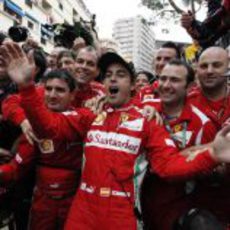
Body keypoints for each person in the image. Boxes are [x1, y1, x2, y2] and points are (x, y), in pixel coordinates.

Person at [1, 42, 230, 230]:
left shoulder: (147, 120)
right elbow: (48, 127)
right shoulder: (89, 116)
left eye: (120, 75)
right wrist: (27, 87)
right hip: (82, 213)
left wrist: (213, 154)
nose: (112, 79)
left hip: (122, 214)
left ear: (132, 87)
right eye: (108, 74)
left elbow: (167, 166)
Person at [0, 70, 83, 230]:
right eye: (48, 89)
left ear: (73, 95)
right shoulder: (34, 127)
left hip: (75, 203)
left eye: (59, 90)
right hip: (42, 205)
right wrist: (23, 121)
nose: (52, 95)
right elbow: (15, 169)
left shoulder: (84, 118)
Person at [141, 60, 217, 230]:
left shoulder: (203, 124)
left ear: (189, 87)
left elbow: (209, 172)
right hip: (137, 203)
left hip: (176, 210)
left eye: (174, 80)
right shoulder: (143, 109)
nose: (166, 85)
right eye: (163, 79)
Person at [188, 46, 230, 130]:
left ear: (228, 69)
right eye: (204, 66)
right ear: (197, 70)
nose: (209, 71)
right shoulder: (184, 102)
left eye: (216, 65)